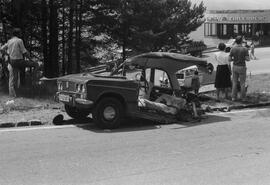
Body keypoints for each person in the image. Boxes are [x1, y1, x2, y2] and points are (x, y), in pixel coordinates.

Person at [0, 28, 36, 97]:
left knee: (13, 77)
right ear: (18, 34)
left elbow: (1, 49)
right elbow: (24, 52)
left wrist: (7, 54)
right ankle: (34, 83)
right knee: (35, 65)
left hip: (12, 62)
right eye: (20, 33)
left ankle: (13, 95)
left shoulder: (9, 41)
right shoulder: (19, 40)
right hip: (19, 61)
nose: (21, 34)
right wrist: (31, 59)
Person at [229, 36, 250, 101]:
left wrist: (235, 59)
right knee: (242, 83)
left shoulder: (232, 48)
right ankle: (243, 97)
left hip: (235, 66)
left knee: (234, 82)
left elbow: (229, 59)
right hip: (242, 66)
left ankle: (233, 97)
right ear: (241, 41)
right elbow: (247, 59)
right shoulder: (245, 49)